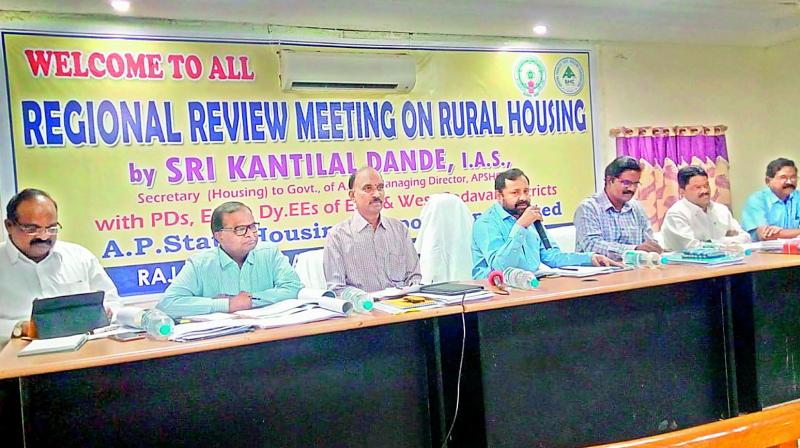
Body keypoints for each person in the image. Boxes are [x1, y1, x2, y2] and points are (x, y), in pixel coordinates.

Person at [0, 188, 120, 346]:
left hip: (85, 358)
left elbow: (113, 302)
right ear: (9, 226)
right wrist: (20, 328)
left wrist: (104, 312)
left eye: (51, 228)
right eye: (31, 229)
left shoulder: (80, 257)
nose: (44, 236)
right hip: (15, 363)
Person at [157, 201, 302, 318]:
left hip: (269, 337)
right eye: (240, 229)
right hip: (220, 344)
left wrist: (251, 300)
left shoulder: (270, 253)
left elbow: (294, 289)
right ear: (219, 236)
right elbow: (167, 304)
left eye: (252, 227)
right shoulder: (199, 264)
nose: (250, 234)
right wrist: (226, 304)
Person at [471, 168, 619, 279]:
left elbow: (552, 256)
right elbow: (500, 267)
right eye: (515, 193)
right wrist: (520, 227)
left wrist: (590, 258)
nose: (523, 197)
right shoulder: (486, 223)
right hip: (496, 292)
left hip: (529, 285)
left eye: (526, 191)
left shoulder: (528, 217)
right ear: (499, 196)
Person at [324, 166, 421, 294]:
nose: (377, 194)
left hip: (403, 308)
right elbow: (336, 289)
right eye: (368, 188)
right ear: (352, 196)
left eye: (380, 188)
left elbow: (414, 277)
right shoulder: (337, 236)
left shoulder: (399, 230)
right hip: (363, 310)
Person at [574, 156, 663, 261]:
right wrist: (634, 250)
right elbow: (592, 245)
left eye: (636, 184)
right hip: (599, 272)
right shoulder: (588, 208)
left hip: (634, 270)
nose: (632, 189)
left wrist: (653, 248)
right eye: (626, 183)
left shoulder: (637, 208)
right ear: (609, 180)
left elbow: (648, 240)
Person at [661, 166, 750, 251]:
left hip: (725, 263)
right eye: (697, 187)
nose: (705, 191)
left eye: (706, 185)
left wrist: (713, 243)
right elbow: (692, 248)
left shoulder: (721, 210)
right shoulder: (677, 214)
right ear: (682, 191)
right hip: (688, 265)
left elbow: (745, 238)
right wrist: (726, 241)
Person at [741, 157, 800, 241]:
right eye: (783, 177)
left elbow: (775, 235)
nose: (789, 182)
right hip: (761, 252)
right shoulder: (757, 200)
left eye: (793, 177)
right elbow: (765, 235)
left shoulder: (797, 197)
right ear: (768, 181)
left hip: (793, 251)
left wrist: (781, 232)